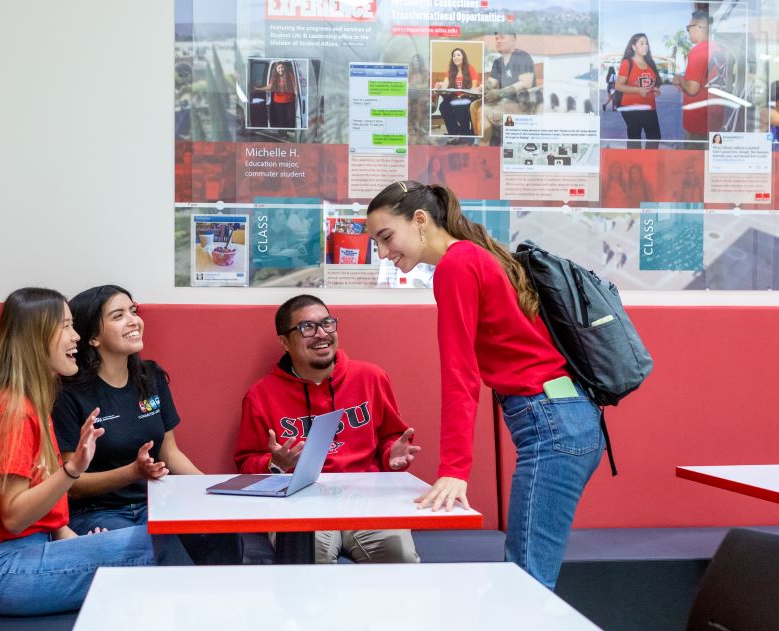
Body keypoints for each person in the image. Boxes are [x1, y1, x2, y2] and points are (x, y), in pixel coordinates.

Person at [366, 181, 605, 589]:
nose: (385, 253)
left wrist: (454, 470)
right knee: (529, 578)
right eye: (377, 243)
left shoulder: (456, 266)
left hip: (550, 424)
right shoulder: (478, 254)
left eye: (387, 237)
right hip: (568, 417)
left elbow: (459, 373)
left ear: (420, 220)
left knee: (527, 584)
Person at [0, 288, 161, 616]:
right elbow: (15, 517)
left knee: (155, 542)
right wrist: (73, 468)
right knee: (154, 546)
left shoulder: (35, 401)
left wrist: (80, 544)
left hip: (28, 551)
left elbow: (47, 515)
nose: (75, 336)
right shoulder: (12, 409)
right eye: (65, 326)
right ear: (35, 337)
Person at [52, 285, 243, 565]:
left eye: (133, 311)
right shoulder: (68, 393)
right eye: (118, 315)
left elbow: (170, 453)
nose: (133, 320)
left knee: (221, 530)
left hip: (155, 502)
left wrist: (214, 490)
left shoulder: (150, 375)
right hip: (98, 512)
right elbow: (72, 485)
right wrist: (132, 472)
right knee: (160, 552)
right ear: (92, 337)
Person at [233, 294, 421, 564]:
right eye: (307, 328)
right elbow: (245, 463)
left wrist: (391, 455)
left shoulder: (371, 378)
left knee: (399, 558)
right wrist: (275, 463)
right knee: (307, 562)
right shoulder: (260, 396)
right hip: (298, 501)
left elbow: (390, 437)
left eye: (327, 324)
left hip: (366, 497)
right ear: (284, 342)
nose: (321, 334)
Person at [484, 31, 536, 145]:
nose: (498, 41)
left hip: (522, 104)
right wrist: (485, 86)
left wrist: (500, 93)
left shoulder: (522, 57)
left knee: (482, 110)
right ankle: (487, 145)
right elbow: (492, 82)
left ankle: (485, 146)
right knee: (475, 105)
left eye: (502, 37)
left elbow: (526, 83)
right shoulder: (498, 62)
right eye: (496, 38)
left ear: (513, 40)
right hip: (504, 102)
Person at [615, 34, 662, 150]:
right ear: (633, 47)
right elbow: (618, 86)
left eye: (646, 43)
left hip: (650, 107)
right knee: (635, 140)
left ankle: (648, 162)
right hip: (632, 107)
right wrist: (638, 90)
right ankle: (635, 165)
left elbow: (651, 83)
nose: (645, 46)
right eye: (641, 43)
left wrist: (655, 89)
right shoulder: (627, 63)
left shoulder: (650, 63)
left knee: (655, 137)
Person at [677, 11, 717, 143]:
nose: (688, 31)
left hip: (698, 125)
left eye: (689, 28)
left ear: (699, 26)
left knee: (694, 163)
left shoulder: (698, 51)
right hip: (714, 120)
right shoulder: (718, 49)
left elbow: (692, 89)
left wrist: (680, 79)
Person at [435, 48, 480, 137]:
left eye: (458, 55)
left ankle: (465, 132)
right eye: (454, 56)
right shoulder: (450, 71)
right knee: (443, 106)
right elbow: (445, 86)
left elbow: (474, 87)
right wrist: (439, 85)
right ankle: (454, 133)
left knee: (459, 107)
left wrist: (463, 95)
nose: (456, 57)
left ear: (463, 57)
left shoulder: (470, 68)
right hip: (455, 96)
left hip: (468, 96)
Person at [256, 61, 298, 129]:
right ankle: (282, 134)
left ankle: (291, 132)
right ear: (276, 69)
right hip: (278, 102)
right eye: (279, 68)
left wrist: (297, 95)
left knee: (291, 118)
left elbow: (294, 86)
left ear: (284, 68)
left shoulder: (289, 75)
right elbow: (270, 87)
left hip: (290, 101)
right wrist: (258, 89)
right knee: (281, 119)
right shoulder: (274, 77)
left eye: (282, 67)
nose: (280, 69)